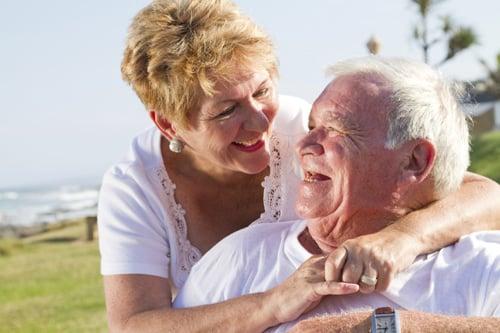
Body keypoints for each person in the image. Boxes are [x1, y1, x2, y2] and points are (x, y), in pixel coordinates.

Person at [98, 0, 500, 331]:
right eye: (225, 111)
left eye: (262, 90)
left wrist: (402, 240)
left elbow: (461, 186)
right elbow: (134, 325)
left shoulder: (295, 124)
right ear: (169, 124)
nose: (260, 123)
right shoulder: (137, 187)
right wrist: (273, 305)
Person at [174, 57, 500, 332]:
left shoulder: (481, 269)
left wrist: (379, 327)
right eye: (311, 125)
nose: (303, 145)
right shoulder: (241, 257)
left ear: (413, 161)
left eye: (337, 130)